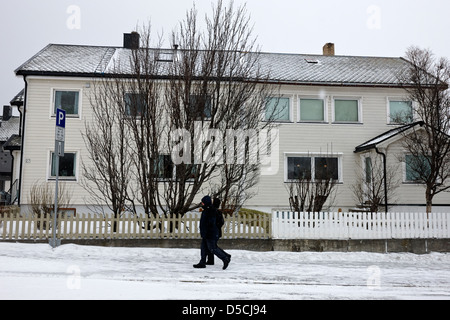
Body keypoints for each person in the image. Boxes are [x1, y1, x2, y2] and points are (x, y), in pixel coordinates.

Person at [193, 195, 231, 270]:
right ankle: (203, 262)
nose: (202, 204)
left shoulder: (210, 211)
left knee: (212, 248)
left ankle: (225, 257)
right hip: (207, 233)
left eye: (203, 202)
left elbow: (211, 223)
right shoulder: (208, 210)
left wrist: (208, 232)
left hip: (210, 233)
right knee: (203, 248)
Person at [206, 198, 231, 265]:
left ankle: (225, 257)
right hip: (215, 232)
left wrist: (214, 227)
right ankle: (210, 260)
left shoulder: (214, 211)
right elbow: (221, 222)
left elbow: (217, 222)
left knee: (212, 247)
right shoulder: (217, 211)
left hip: (213, 233)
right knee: (210, 246)